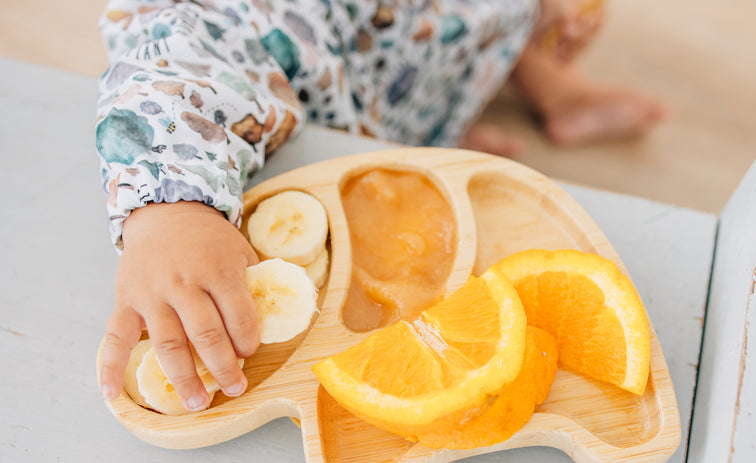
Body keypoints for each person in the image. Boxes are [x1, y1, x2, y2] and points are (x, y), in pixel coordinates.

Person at [97, 0, 666, 412]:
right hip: (330, 105)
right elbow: (180, 49)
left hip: (431, 53)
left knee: (491, 27)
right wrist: (171, 204)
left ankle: (537, 85)